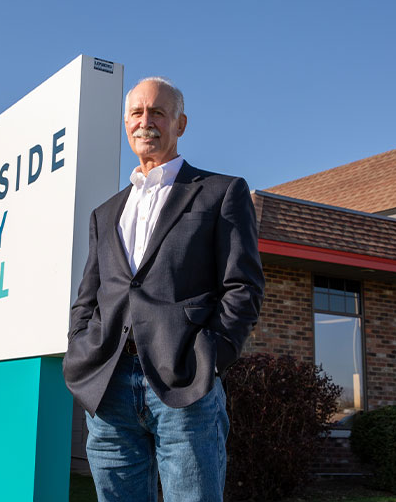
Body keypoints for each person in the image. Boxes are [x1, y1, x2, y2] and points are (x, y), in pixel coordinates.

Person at [62, 77, 264, 502]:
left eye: (157, 111)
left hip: (183, 385)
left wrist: (208, 357)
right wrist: (81, 349)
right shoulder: (106, 212)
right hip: (109, 386)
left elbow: (242, 287)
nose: (145, 121)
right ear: (125, 122)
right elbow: (89, 296)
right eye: (136, 112)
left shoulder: (221, 192)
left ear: (180, 122)